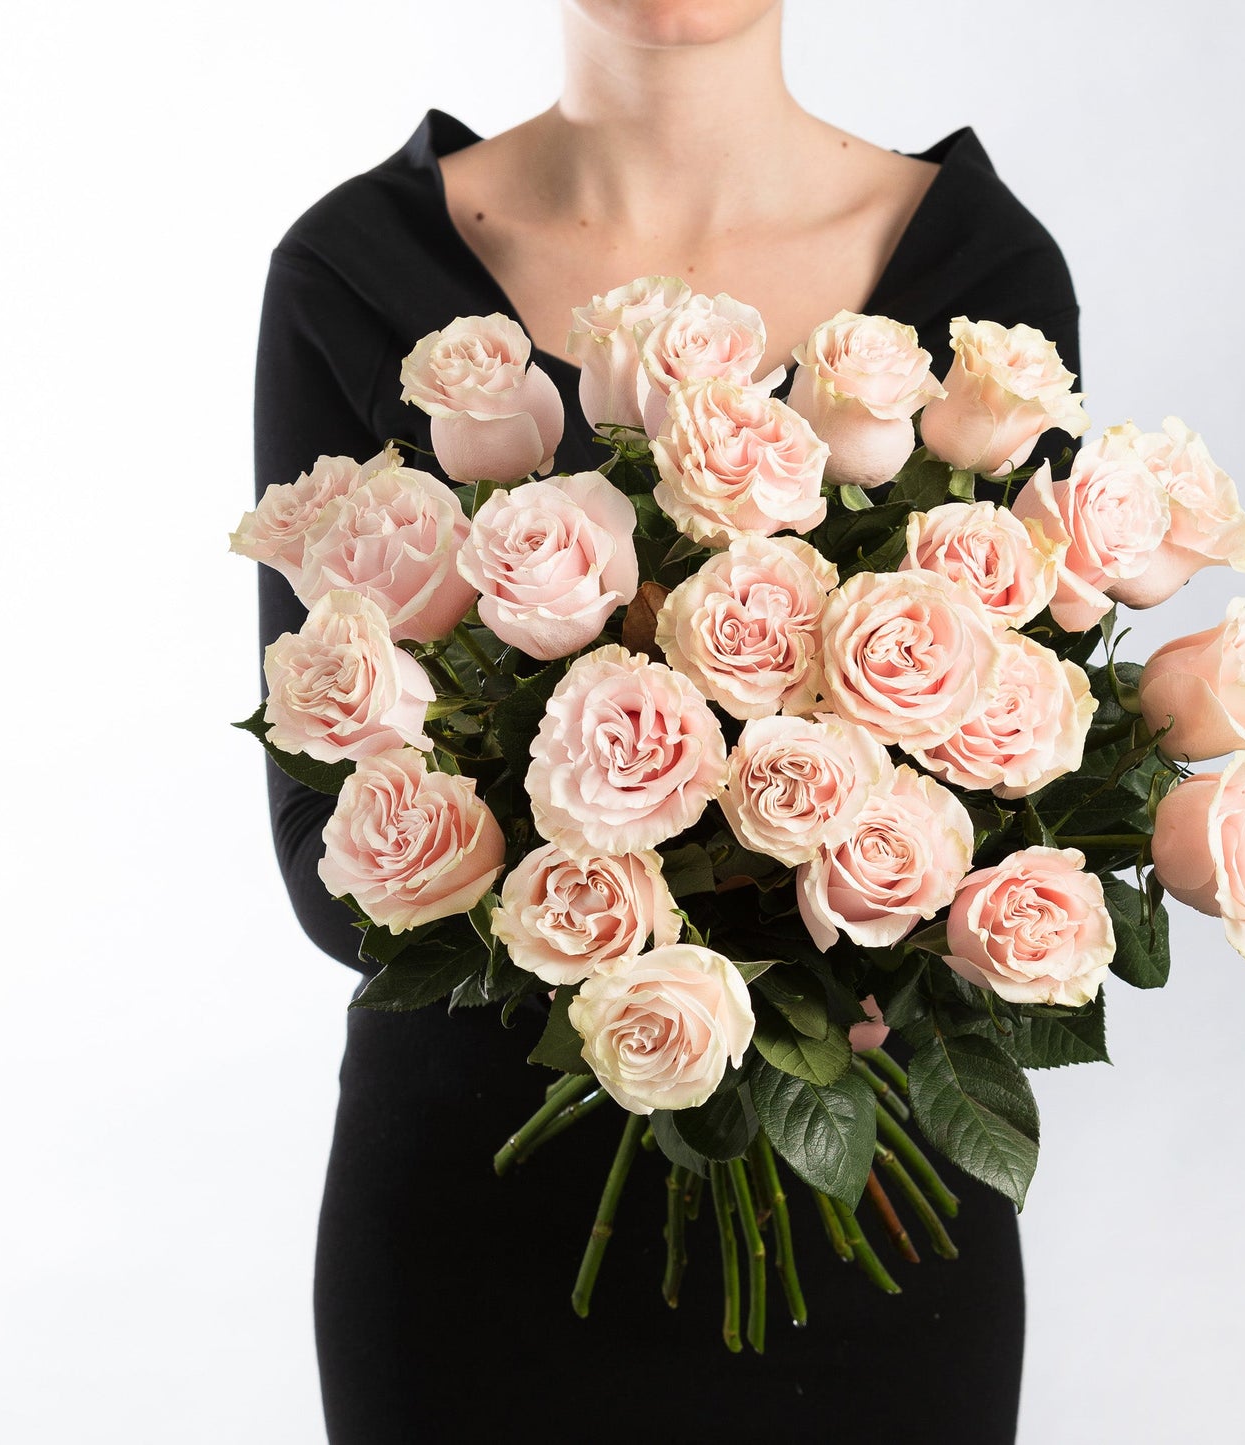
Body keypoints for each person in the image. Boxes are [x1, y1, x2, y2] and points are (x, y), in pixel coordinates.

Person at [253, 3, 1080, 1440]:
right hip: (477, 1222)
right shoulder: (360, 273)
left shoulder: (981, 282)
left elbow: (1026, 779)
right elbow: (334, 853)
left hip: (865, 1218)